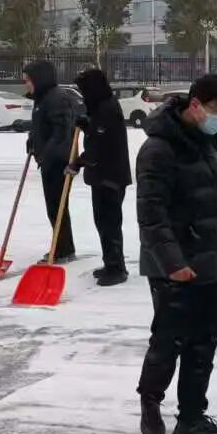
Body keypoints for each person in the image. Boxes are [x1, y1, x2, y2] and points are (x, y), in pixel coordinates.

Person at [135, 73, 217, 434]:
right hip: (173, 263)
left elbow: (216, 196)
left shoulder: (208, 142)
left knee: (203, 343)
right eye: (216, 109)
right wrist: (173, 263)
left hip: (211, 256)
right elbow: (151, 215)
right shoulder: (158, 149)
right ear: (195, 104)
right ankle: (150, 400)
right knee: (169, 340)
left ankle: (192, 418)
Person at [72, 67, 132, 286]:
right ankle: (111, 263)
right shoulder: (101, 106)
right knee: (103, 223)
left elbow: (101, 145)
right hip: (103, 175)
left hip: (110, 177)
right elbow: (97, 133)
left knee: (109, 224)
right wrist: (88, 125)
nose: (82, 94)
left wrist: (79, 162)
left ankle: (117, 269)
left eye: (84, 89)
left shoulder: (107, 108)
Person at [24, 60, 79, 261]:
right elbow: (41, 126)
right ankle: (64, 247)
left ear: (39, 79)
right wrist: (32, 141)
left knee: (57, 207)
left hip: (59, 163)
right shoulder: (42, 99)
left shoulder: (57, 98)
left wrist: (47, 154)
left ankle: (63, 249)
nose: (27, 84)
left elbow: (61, 132)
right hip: (49, 161)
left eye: (28, 80)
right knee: (54, 207)